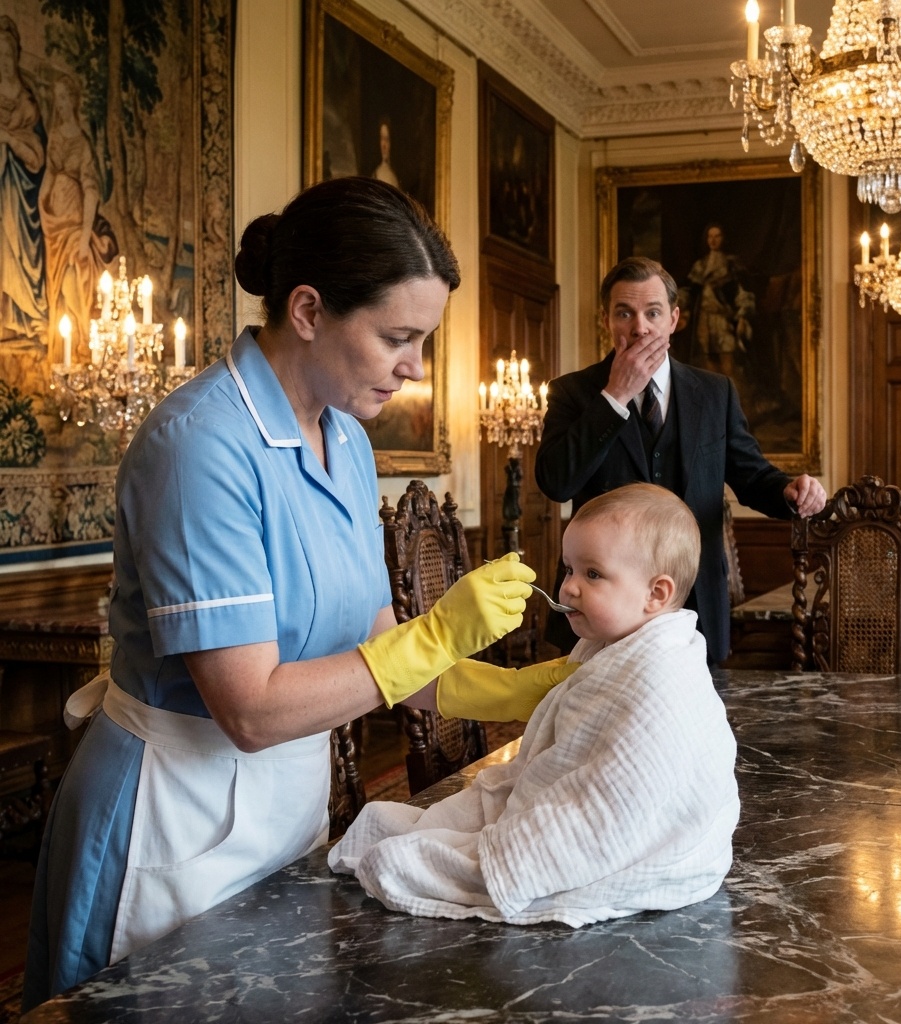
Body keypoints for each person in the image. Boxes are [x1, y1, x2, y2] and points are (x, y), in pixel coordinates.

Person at [23, 176, 574, 1009]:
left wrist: (526, 690)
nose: (415, 368)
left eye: (422, 340)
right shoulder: (201, 445)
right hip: (174, 810)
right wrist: (436, 633)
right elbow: (250, 710)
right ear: (309, 310)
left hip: (287, 804)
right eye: (397, 337)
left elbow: (382, 654)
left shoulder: (347, 442)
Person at [328, 483, 739, 926]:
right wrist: (453, 645)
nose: (569, 587)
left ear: (656, 594)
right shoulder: (610, 644)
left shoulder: (661, 672)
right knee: (403, 829)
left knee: (438, 858)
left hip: (624, 832)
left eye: (593, 574)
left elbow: (624, 792)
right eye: (569, 569)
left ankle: (509, 866)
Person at [535, 256, 827, 666]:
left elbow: (752, 476)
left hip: (697, 602)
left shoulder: (715, 392)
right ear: (606, 320)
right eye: (625, 313)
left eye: (653, 313)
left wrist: (789, 490)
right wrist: (615, 396)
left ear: (674, 319)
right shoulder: (572, 392)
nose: (640, 327)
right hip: (602, 608)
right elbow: (556, 482)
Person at [39, 74, 118, 363]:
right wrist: (41, 206)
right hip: (54, 225)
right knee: (57, 284)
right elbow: (49, 174)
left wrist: (85, 236)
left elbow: (91, 190)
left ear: (73, 100)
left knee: (75, 273)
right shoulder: (55, 137)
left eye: (63, 97)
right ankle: (65, 350)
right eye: (56, 99)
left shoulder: (82, 143)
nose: (59, 104)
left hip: (75, 221)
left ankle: (83, 339)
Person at [0, 15, 47, 344]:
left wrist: (9, 139)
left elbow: (38, 157)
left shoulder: (27, 104)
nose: (3, 61)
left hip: (20, 195)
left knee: (17, 252)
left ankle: (22, 317)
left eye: (7, 54)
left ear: (15, 55)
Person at [679, 223, 754, 379]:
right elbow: (690, 291)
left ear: (723, 239)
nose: (713, 240)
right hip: (703, 319)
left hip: (723, 318)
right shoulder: (701, 265)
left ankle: (732, 392)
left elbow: (742, 292)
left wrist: (742, 316)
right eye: (710, 236)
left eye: (717, 236)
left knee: (728, 360)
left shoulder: (731, 264)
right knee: (707, 362)